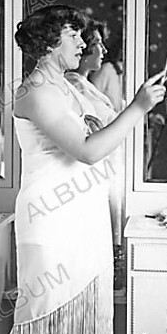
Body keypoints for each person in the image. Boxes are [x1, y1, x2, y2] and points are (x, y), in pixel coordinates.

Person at [4, 4, 165, 334]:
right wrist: (138, 107)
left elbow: (102, 123)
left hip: (82, 213)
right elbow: (90, 150)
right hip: (50, 217)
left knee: (73, 311)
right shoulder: (36, 92)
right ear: (51, 41)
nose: (84, 44)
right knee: (43, 312)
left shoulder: (71, 85)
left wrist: (131, 104)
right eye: (75, 37)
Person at [65, 18, 123, 246]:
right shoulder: (75, 86)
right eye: (97, 43)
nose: (104, 50)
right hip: (96, 170)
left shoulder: (86, 84)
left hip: (109, 168)